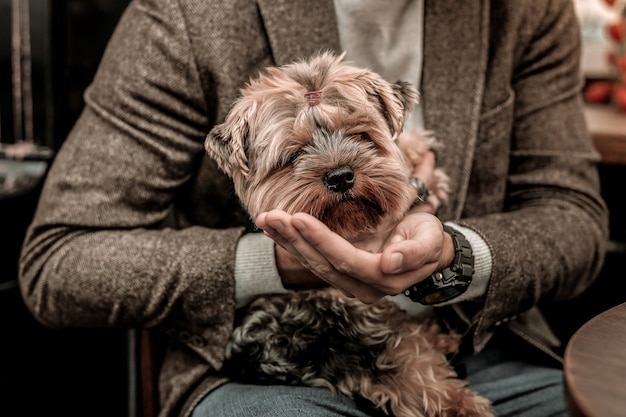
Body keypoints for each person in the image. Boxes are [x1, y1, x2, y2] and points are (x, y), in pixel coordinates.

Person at [19, 0, 609, 416]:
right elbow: (60, 259)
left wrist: (454, 255)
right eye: (295, 155)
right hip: (266, 371)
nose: (337, 167)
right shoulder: (189, 12)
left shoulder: (526, 7)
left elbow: (573, 218)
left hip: (481, 348)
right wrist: (276, 262)